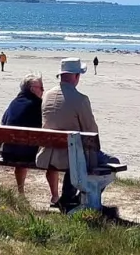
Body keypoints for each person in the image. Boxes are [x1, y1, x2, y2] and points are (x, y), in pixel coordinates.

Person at [38, 58, 101, 210]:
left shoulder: (46, 96)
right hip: (69, 156)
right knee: (109, 161)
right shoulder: (81, 100)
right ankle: (72, 199)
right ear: (76, 76)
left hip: (47, 154)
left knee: (73, 149)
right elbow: (91, 132)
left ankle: (69, 198)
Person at [0, 74, 44, 197]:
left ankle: (21, 192)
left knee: (21, 146)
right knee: (51, 153)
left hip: (8, 152)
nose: (43, 91)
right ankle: (55, 196)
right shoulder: (38, 105)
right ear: (32, 89)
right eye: (41, 88)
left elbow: (4, 121)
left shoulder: (13, 103)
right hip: (27, 154)